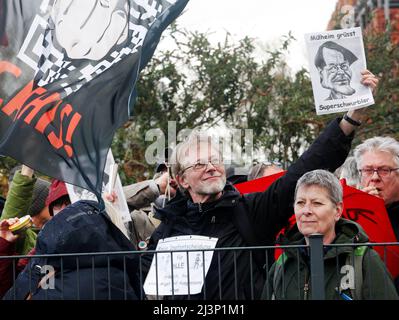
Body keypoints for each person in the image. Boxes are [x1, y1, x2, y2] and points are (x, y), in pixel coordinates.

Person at [141, 69, 378, 300]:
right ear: (182, 179)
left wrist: (351, 118)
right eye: (199, 164)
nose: (211, 167)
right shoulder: (168, 228)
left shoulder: (250, 211)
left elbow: (301, 170)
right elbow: (136, 278)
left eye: (215, 160)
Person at [262, 169, 398, 300]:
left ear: (338, 211)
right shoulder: (283, 263)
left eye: (317, 203)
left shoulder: (363, 260)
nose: (306, 210)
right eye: (300, 203)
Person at [354, 136, 399, 291]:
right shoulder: (347, 214)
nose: (374, 178)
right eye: (367, 170)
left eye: (384, 170)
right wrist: (364, 206)